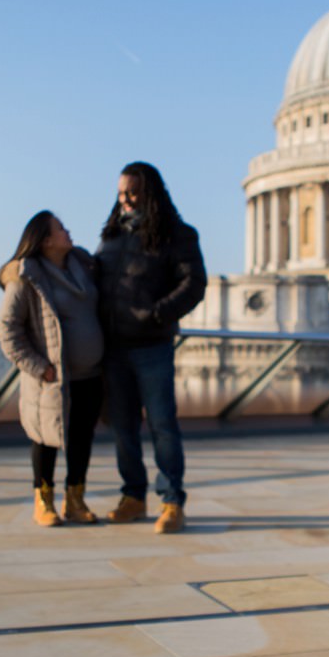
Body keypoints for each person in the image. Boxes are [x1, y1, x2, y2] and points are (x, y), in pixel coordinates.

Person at [95, 161, 207, 534]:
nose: (125, 200)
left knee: (162, 425)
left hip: (152, 346)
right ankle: (133, 496)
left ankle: (172, 500)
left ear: (150, 193)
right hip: (114, 346)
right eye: (121, 193)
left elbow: (194, 284)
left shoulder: (178, 235)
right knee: (123, 428)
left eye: (133, 192)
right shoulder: (111, 237)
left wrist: (157, 314)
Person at [0, 211, 105, 527]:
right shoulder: (25, 275)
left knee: (81, 437)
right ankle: (43, 500)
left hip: (90, 374)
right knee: (45, 437)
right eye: (60, 228)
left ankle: (75, 499)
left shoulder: (83, 266)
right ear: (44, 240)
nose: (68, 231)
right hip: (52, 378)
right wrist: (39, 367)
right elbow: (7, 328)